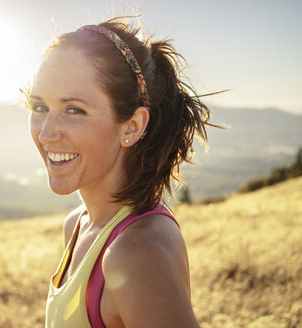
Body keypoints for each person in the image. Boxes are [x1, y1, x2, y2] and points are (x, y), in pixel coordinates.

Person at [25, 16, 212, 328]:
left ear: (133, 126)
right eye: (40, 107)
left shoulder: (137, 252)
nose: (46, 133)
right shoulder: (78, 224)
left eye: (74, 110)